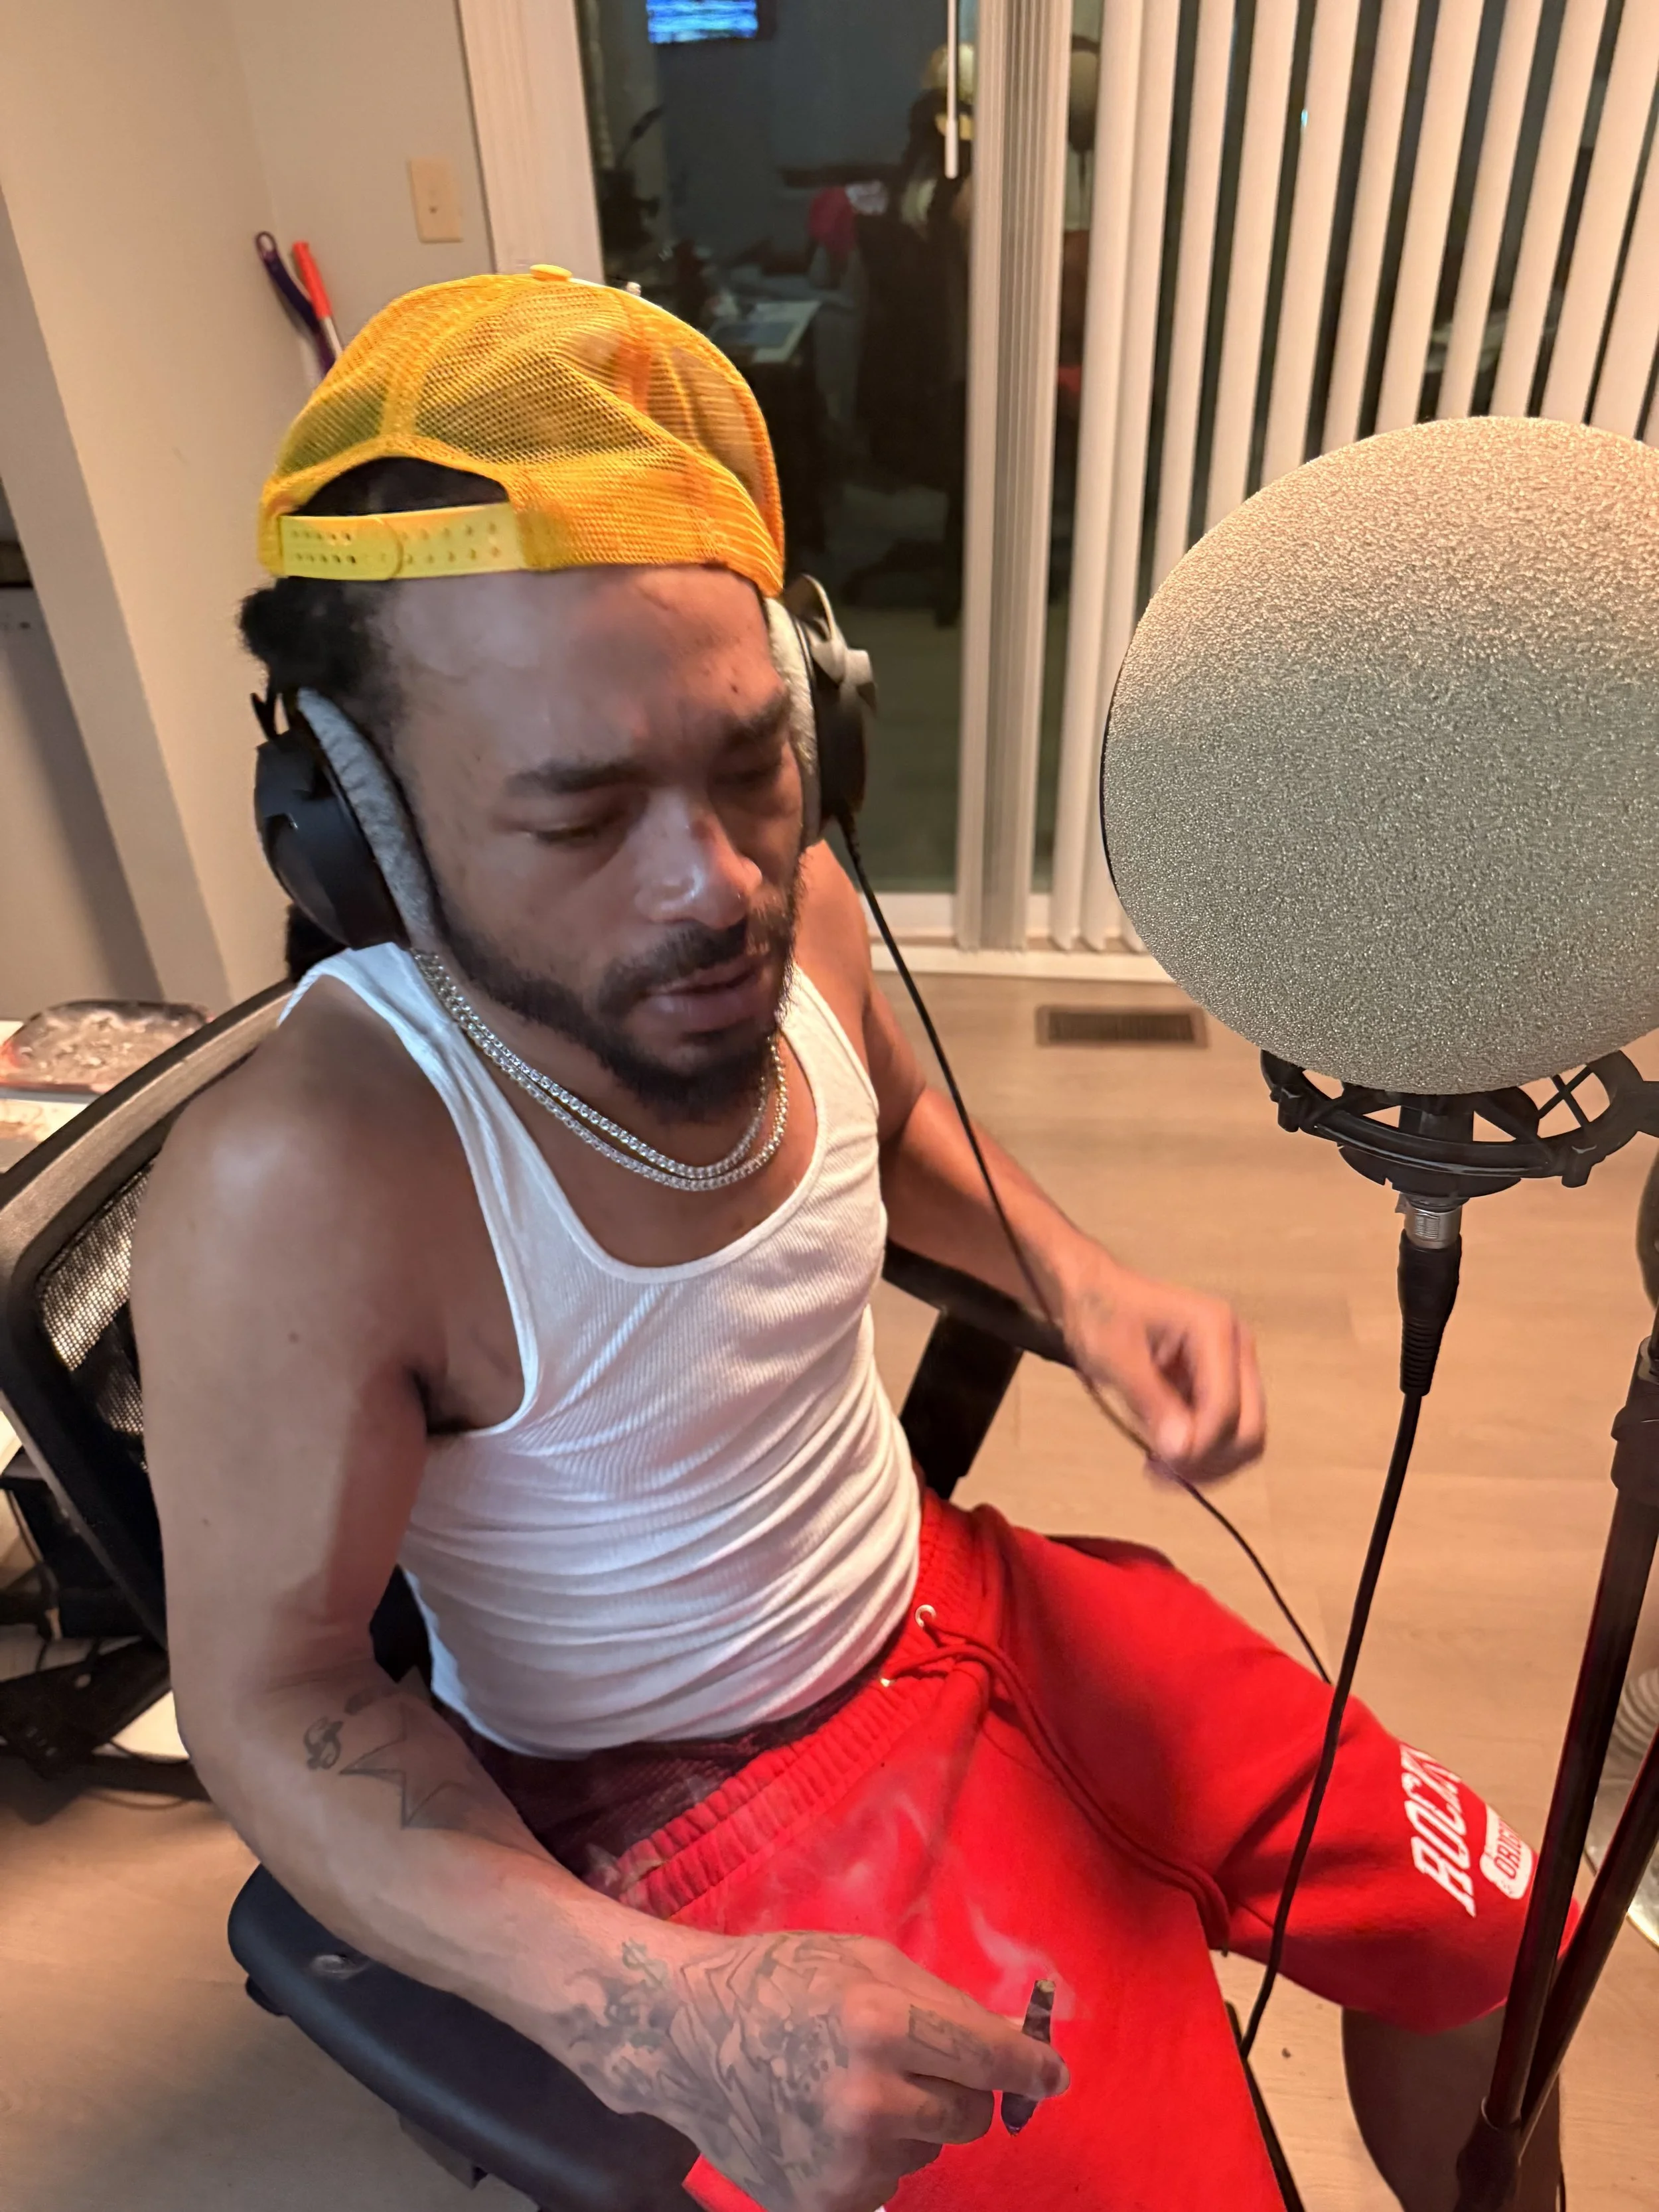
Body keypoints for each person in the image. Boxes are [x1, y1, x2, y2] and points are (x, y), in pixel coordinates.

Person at [133, 270, 1561, 2212]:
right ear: (353, 817)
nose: (715, 882)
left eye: (750, 761)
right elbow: (275, 1701)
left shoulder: (788, 906)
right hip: (686, 1802)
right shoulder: (308, 1180)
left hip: (957, 1593)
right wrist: (664, 2013)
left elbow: (876, 1113)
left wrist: (1080, 1282)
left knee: (1504, 1949)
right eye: (581, 816)